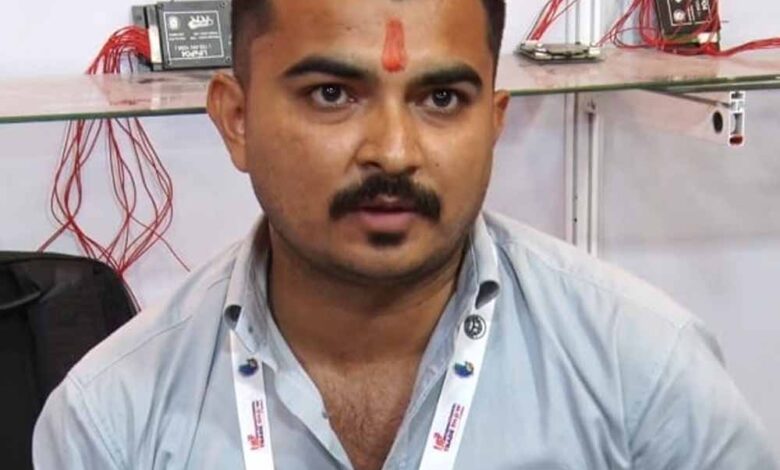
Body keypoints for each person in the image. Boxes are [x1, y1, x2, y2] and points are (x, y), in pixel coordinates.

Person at [33, 0, 776, 469]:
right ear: (236, 120)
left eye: (442, 98)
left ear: (493, 123)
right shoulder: (111, 420)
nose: (392, 152)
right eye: (332, 94)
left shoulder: (646, 374)